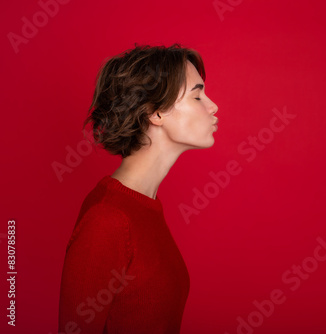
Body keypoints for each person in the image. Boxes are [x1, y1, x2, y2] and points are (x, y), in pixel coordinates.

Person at [58, 43, 218, 334]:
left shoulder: (146, 205)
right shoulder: (108, 218)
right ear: (154, 112)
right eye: (197, 95)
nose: (213, 106)